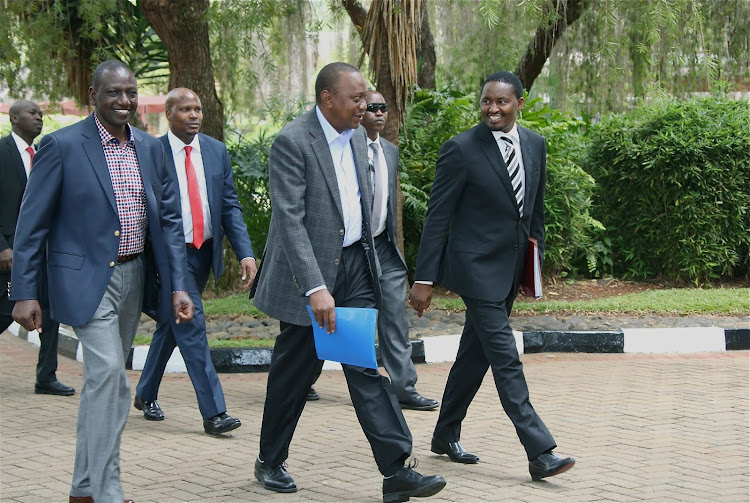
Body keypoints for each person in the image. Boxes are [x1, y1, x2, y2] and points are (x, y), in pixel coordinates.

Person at [250, 62, 446, 502]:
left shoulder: (359, 137)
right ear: (327, 99)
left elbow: (363, 207)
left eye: (367, 100)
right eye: (357, 99)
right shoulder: (293, 142)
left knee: (362, 365)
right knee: (295, 374)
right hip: (311, 276)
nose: (366, 106)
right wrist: (315, 288)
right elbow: (290, 221)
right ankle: (269, 460)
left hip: (355, 267)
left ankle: (396, 470)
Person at [11, 60, 194, 503]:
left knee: (104, 383)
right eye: (113, 93)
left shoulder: (151, 149)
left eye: (130, 92)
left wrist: (179, 285)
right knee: (110, 376)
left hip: (134, 277)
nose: (124, 101)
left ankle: (82, 489)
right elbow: (30, 225)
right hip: (85, 280)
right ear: (94, 96)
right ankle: (108, 492)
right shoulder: (63, 145)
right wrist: (24, 292)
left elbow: (169, 225)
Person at [408, 71, 575, 481]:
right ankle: (540, 451)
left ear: (520, 102)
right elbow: (438, 216)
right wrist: (424, 277)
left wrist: (531, 266)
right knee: (505, 357)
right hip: (475, 268)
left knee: (474, 354)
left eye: (501, 102)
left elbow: (533, 210)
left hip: (510, 266)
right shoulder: (461, 148)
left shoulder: (535, 144)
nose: (492, 109)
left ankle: (445, 434)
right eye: (486, 101)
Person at [134, 87, 256, 435]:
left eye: (198, 109)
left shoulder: (216, 151)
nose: (194, 115)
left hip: (204, 251)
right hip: (170, 255)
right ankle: (214, 412)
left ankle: (145, 392)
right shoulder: (152, 151)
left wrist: (245, 251)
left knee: (172, 324)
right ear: (169, 114)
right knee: (191, 325)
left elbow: (230, 205)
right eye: (185, 109)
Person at [360, 90, 438, 411]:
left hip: (385, 248)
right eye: (371, 108)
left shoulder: (390, 151)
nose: (379, 113)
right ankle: (305, 376)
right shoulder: (347, 149)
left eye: (383, 108)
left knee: (394, 318)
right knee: (345, 318)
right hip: (354, 249)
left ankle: (404, 387)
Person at [0, 100, 74, 396]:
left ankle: (46, 376)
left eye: (41, 114)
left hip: (46, 250)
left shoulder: (47, 152)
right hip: (9, 251)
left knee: (50, 312)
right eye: (33, 113)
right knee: (7, 310)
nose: (39, 118)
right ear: (14, 117)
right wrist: (1, 246)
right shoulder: (2, 152)